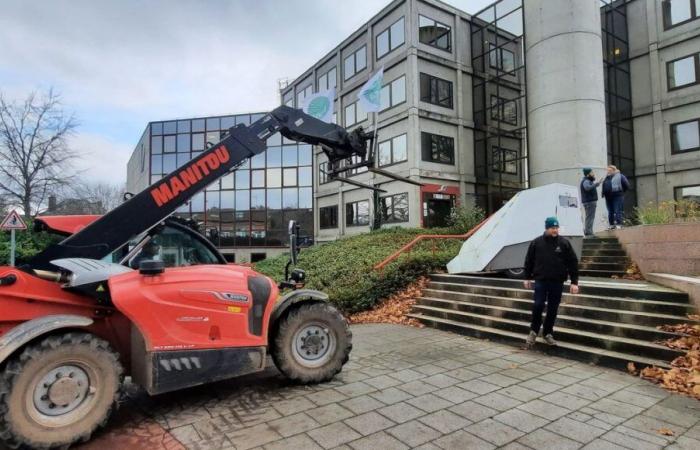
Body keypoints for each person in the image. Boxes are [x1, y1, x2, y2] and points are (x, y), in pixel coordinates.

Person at [523, 217, 579, 346]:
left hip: (557, 281)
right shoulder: (536, 242)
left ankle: (548, 333)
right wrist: (527, 277)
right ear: (546, 228)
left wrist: (574, 282)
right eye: (552, 228)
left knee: (553, 308)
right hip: (541, 280)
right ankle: (533, 331)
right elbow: (529, 261)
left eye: (556, 228)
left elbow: (572, 262)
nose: (555, 230)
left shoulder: (564, 243)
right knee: (538, 305)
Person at [601, 165, 630, 229]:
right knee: (610, 211)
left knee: (617, 210)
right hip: (608, 197)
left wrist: (621, 192)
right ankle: (611, 225)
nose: (608, 172)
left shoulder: (620, 176)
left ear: (614, 170)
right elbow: (604, 186)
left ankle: (619, 224)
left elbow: (627, 185)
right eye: (607, 170)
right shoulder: (606, 177)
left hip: (617, 196)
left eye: (610, 170)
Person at [580, 168, 602, 236]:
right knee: (590, 217)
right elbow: (587, 188)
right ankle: (589, 232)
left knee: (589, 217)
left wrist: (597, 184)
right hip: (590, 202)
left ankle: (588, 231)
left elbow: (590, 187)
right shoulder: (586, 181)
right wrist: (595, 184)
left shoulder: (587, 180)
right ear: (588, 174)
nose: (593, 173)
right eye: (592, 172)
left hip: (589, 202)